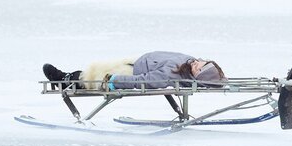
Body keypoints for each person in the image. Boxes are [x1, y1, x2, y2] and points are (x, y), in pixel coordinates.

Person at [42, 51, 226, 90]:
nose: (197, 62)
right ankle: (68, 78)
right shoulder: (187, 65)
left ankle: (63, 79)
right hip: (136, 63)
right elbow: (215, 79)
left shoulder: (173, 74)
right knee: (94, 71)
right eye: (202, 62)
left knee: (93, 74)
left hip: (130, 72)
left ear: (196, 75)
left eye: (198, 67)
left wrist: (114, 80)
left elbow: (145, 81)